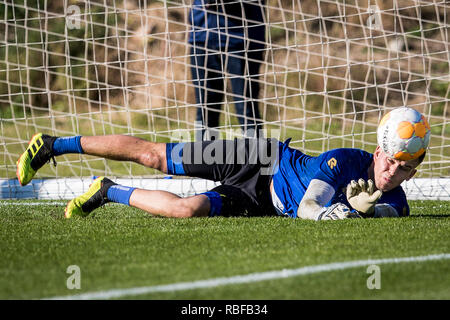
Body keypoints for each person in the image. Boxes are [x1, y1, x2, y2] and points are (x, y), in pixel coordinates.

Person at [16, 126, 425, 220]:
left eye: (403, 168)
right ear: (377, 151)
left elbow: (386, 214)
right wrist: (342, 212)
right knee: (157, 157)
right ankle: (54, 145)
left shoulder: (398, 204)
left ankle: (106, 190)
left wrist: (365, 211)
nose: (392, 172)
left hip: (262, 201)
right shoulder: (342, 160)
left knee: (187, 210)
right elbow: (308, 206)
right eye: (389, 160)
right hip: (261, 157)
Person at [189, 0, 265, 138]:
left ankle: (257, 156)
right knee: (205, 107)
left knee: (246, 108)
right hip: (202, 35)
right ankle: (204, 157)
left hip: (241, 37)